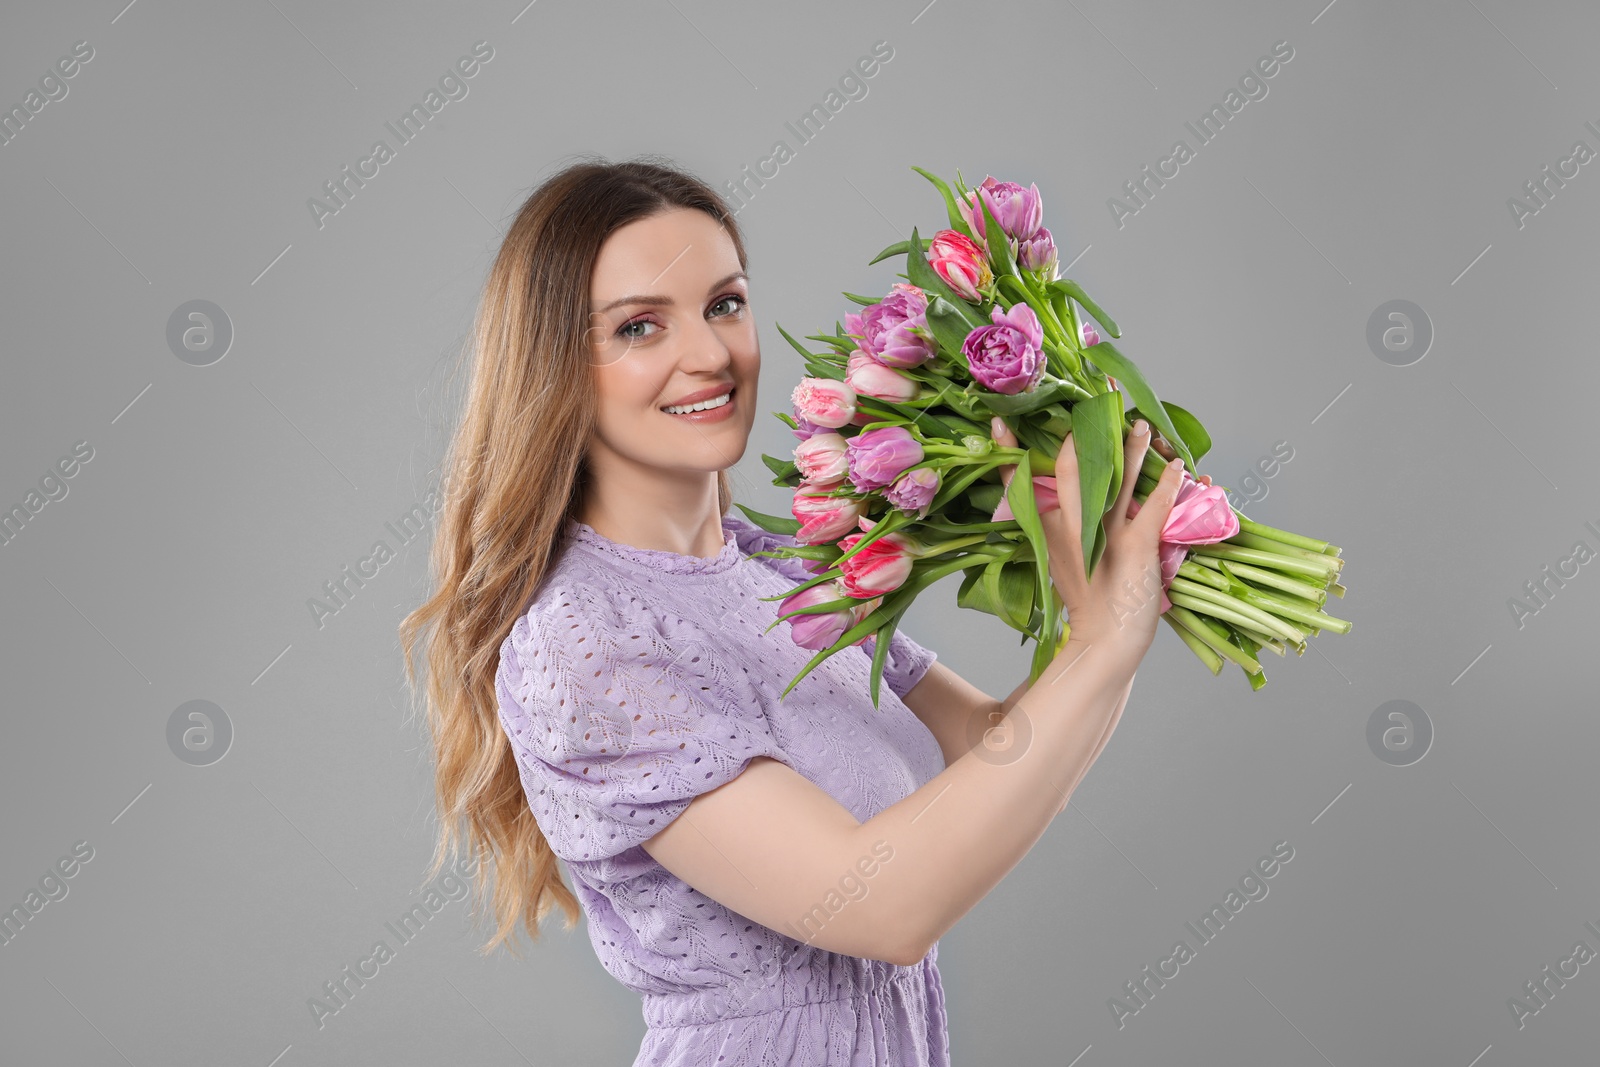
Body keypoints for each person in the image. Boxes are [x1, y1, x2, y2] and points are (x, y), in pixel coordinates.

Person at [399, 154, 1191, 1066]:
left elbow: (993, 744)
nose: (710, 353)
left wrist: (1102, 605)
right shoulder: (588, 644)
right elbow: (875, 905)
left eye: (724, 304)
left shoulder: (779, 568)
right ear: (557, 367)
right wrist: (1100, 642)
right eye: (640, 327)